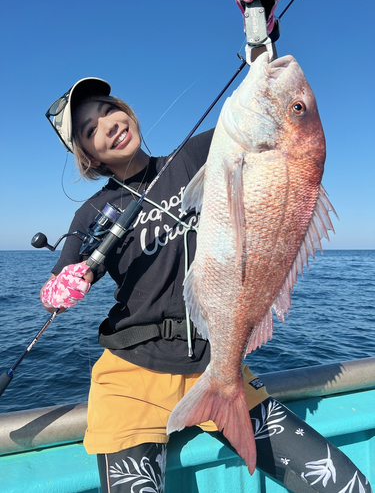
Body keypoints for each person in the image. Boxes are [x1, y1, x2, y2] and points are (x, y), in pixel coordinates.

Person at [40, 74, 372, 493]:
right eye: (90, 130)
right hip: (129, 378)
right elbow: (52, 294)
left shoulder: (196, 155)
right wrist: (62, 287)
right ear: (88, 155)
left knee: (347, 485)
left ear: (128, 113)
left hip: (216, 367)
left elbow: (270, 125)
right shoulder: (94, 213)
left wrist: (258, 26)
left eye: (110, 110)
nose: (108, 125)